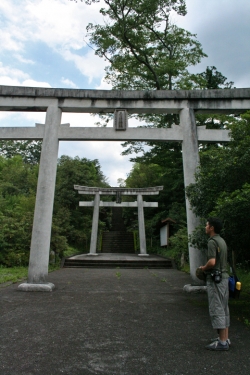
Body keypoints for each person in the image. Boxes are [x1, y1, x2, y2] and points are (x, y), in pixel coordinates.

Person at [199, 217, 230, 351]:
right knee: (223, 307)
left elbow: (212, 262)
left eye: (207, 225)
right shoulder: (221, 240)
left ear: (211, 228)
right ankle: (225, 338)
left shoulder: (212, 242)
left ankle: (222, 342)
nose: (205, 227)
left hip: (216, 280)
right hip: (224, 277)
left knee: (217, 307)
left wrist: (202, 268)